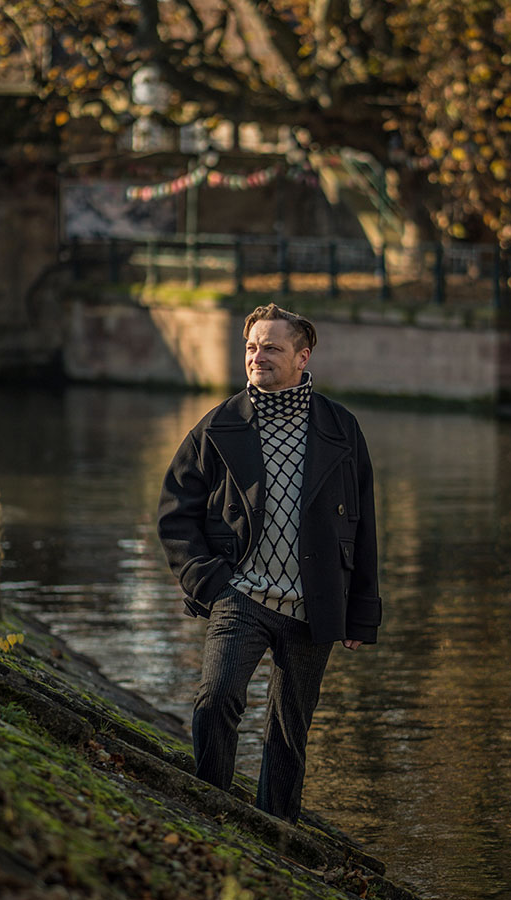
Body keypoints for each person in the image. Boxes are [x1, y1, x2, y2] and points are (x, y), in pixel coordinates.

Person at [157, 302, 382, 824]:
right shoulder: (218, 426)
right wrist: (208, 582)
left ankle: (278, 830)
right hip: (242, 593)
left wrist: (361, 612)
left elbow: (364, 523)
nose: (257, 357)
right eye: (252, 347)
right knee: (215, 701)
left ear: (303, 356)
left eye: (272, 348)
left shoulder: (341, 428)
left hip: (316, 601)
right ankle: (208, 809)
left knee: (289, 728)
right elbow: (175, 513)